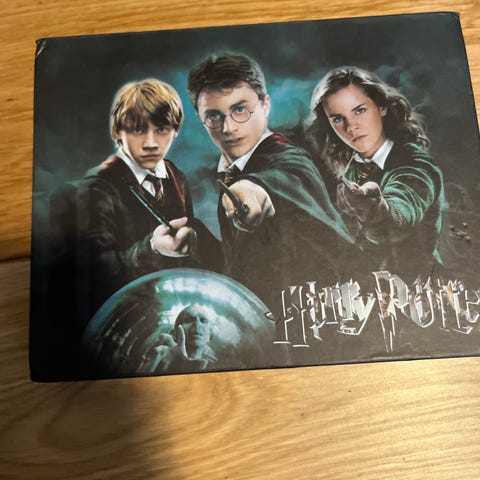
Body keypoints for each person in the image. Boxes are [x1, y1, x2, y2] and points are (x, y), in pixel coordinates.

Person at [43, 79, 222, 379]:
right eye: (138, 130)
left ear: (175, 131)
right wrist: (150, 248)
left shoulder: (176, 177)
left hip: (169, 315)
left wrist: (192, 241)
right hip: (122, 330)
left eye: (161, 130)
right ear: (118, 132)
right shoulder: (95, 189)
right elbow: (96, 275)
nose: (151, 142)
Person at [187, 53, 354, 315]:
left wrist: (254, 189)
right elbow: (247, 264)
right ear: (200, 117)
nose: (228, 127)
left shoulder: (288, 158)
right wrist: (197, 240)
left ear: (265, 105)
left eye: (239, 109)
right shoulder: (230, 171)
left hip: (321, 315)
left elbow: (290, 176)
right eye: (214, 116)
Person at [308, 66, 444, 280]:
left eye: (359, 110)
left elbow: (404, 203)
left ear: (381, 106)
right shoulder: (353, 169)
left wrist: (377, 209)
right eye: (338, 119)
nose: (351, 127)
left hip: (419, 289)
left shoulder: (414, 162)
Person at [143, 304, 217, 373]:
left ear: (210, 335)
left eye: (203, 321)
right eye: (188, 320)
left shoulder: (213, 367)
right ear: (174, 333)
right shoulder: (160, 356)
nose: (197, 325)